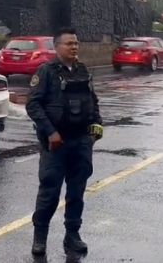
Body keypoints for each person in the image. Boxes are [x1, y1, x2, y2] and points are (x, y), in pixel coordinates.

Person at [25, 27, 104, 256]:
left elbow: (93, 100)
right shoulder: (47, 71)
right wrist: (50, 132)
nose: (74, 47)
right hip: (55, 145)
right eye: (69, 44)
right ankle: (40, 237)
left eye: (76, 43)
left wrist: (96, 129)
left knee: (77, 193)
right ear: (57, 47)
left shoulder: (82, 70)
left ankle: (72, 236)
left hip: (81, 143)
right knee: (49, 192)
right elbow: (33, 105)